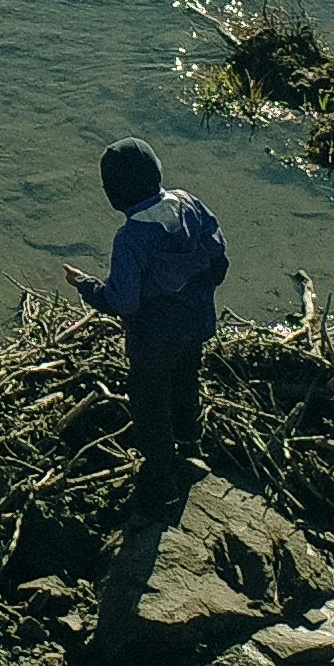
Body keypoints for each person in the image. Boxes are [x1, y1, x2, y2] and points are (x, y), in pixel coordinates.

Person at [76, 137, 229, 488]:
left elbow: (123, 301)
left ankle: (160, 474)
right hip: (195, 326)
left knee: (150, 405)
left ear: (113, 193)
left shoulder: (131, 237)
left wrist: (87, 287)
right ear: (157, 172)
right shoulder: (189, 203)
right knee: (186, 386)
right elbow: (218, 258)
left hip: (152, 342)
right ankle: (192, 448)